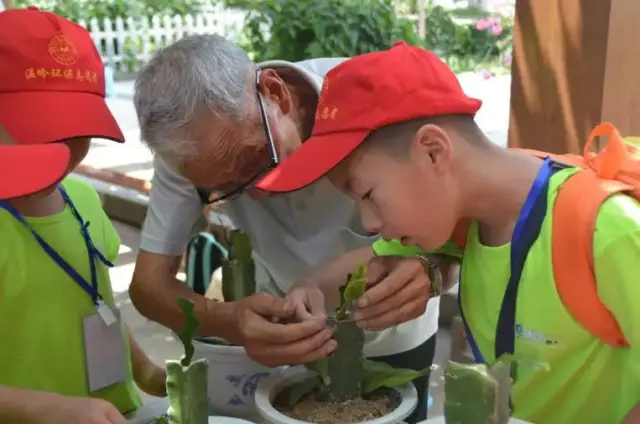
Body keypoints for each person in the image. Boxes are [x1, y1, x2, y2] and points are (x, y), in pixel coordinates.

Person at [256, 42, 640, 424]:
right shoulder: (466, 219)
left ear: (434, 151)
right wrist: (307, 286)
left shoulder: (603, 230)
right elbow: (365, 262)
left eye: (368, 194)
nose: (369, 223)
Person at [131, 35, 457, 422]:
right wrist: (229, 321)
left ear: (275, 93)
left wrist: (434, 263)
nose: (258, 196)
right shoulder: (189, 154)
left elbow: (468, 212)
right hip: (283, 341)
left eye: (254, 160)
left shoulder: (372, 95)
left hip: (398, 330)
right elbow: (148, 287)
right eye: (226, 190)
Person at [0, 8, 165, 424]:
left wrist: (145, 371)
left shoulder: (82, 198)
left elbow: (95, 302)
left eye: (77, 130)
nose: (62, 150)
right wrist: (53, 409)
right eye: (42, 128)